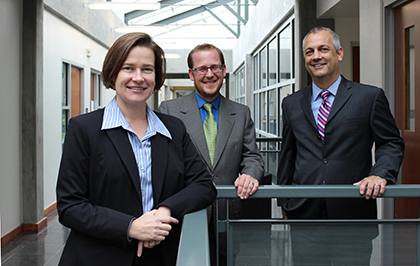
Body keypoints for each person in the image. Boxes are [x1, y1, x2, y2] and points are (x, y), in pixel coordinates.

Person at [56, 32, 217, 266]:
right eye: (128, 68)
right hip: (100, 256)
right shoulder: (84, 129)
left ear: (156, 76)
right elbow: (70, 206)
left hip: (160, 256)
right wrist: (131, 227)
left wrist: (165, 211)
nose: (138, 78)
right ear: (113, 73)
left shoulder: (172, 128)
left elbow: (204, 185)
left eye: (147, 69)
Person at [277, 26, 405, 265]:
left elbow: (391, 142)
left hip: (352, 211)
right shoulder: (291, 103)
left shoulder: (369, 97)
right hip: (304, 215)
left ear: (339, 53)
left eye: (323, 49)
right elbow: (288, 153)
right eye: (309, 52)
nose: (316, 56)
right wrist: (284, 200)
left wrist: (380, 174)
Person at [158, 44, 264, 265]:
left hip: (227, 212)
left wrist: (250, 174)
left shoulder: (241, 113)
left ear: (224, 70)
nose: (209, 74)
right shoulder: (169, 110)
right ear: (191, 74)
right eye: (202, 68)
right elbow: (164, 162)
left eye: (215, 67)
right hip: (185, 213)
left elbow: (252, 156)